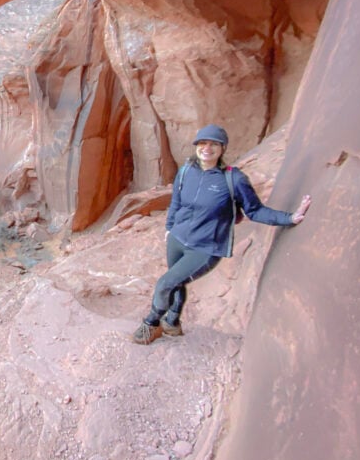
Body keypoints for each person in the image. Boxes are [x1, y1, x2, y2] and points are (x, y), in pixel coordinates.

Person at [132, 124, 311, 345]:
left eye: (214, 144)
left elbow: (254, 210)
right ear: (196, 146)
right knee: (175, 282)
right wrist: (170, 228)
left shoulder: (233, 179)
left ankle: (151, 323)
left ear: (222, 148)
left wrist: (290, 218)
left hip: (205, 248)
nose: (207, 148)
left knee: (165, 283)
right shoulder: (186, 171)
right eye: (203, 143)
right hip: (178, 239)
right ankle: (173, 322)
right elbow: (177, 202)